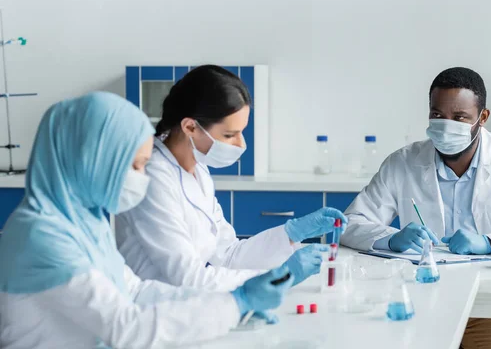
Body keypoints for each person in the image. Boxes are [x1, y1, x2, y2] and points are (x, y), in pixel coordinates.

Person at [0, 92, 293, 348]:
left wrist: (230, 304)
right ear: (93, 159)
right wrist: (235, 305)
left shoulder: (85, 222)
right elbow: (127, 327)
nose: (143, 178)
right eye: (136, 166)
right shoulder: (41, 235)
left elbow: (136, 291)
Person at [340, 67, 491, 349]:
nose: (446, 125)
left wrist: (490, 243)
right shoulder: (403, 163)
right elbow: (350, 222)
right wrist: (390, 238)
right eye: (437, 115)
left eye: (459, 118)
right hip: (424, 298)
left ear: (482, 117)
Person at [116, 65, 347, 292]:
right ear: (190, 127)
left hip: (189, 304)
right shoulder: (153, 177)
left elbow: (228, 254)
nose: (240, 144)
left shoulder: (199, 169)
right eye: (229, 134)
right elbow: (187, 277)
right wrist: (283, 275)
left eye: (241, 132)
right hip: (156, 310)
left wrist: (292, 232)